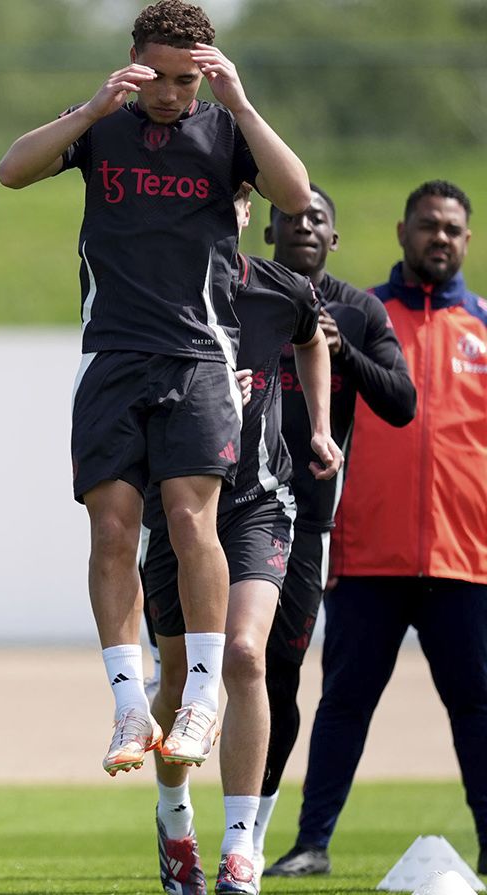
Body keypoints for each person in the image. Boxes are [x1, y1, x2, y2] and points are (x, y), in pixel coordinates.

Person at [0, 0, 310, 776]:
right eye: (157, 78)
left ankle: (200, 696)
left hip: (199, 357)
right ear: (134, 64)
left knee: (187, 515)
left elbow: (296, 194)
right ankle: (130, 704)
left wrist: (238, 101)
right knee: (112, 528)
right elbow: (12, 170)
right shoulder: (103, 126)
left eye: (185, 80)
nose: (170, 94)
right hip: (111, 356)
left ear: (204, 74)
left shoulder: (225, 131)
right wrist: (94, 106)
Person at [269, 180, 487, 878]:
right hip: (367, 554)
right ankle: (311, 844)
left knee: (477, 711)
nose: (440, 238)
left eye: (452, 228)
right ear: (402, 232)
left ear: (468, 240)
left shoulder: (482, 328)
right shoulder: (360, 314)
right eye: (428, 225)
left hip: (466, 559)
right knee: (343, 706)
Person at [139, 184, 339, 895]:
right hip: (177, 513)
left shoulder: (277, 289)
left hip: (258, 502)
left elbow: (313, 337)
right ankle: (173, 819)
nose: (222, 212)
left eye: (235, 202)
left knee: (245, 656)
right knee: (173, 682)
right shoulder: (156, 290)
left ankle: (240, 848)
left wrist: (317, 425)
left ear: (249, 210)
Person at [253, 184, 416, 867]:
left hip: (306, 521)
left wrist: (342, 351)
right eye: (291, 216)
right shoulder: (239, 294)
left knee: (280, 676)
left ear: (335, 238)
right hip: (229, 509)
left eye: (317, 218)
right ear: (269, 232)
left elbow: (403, 402)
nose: (304, 225)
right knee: (204, 667)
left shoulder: (358, 310)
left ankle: (249, 834)